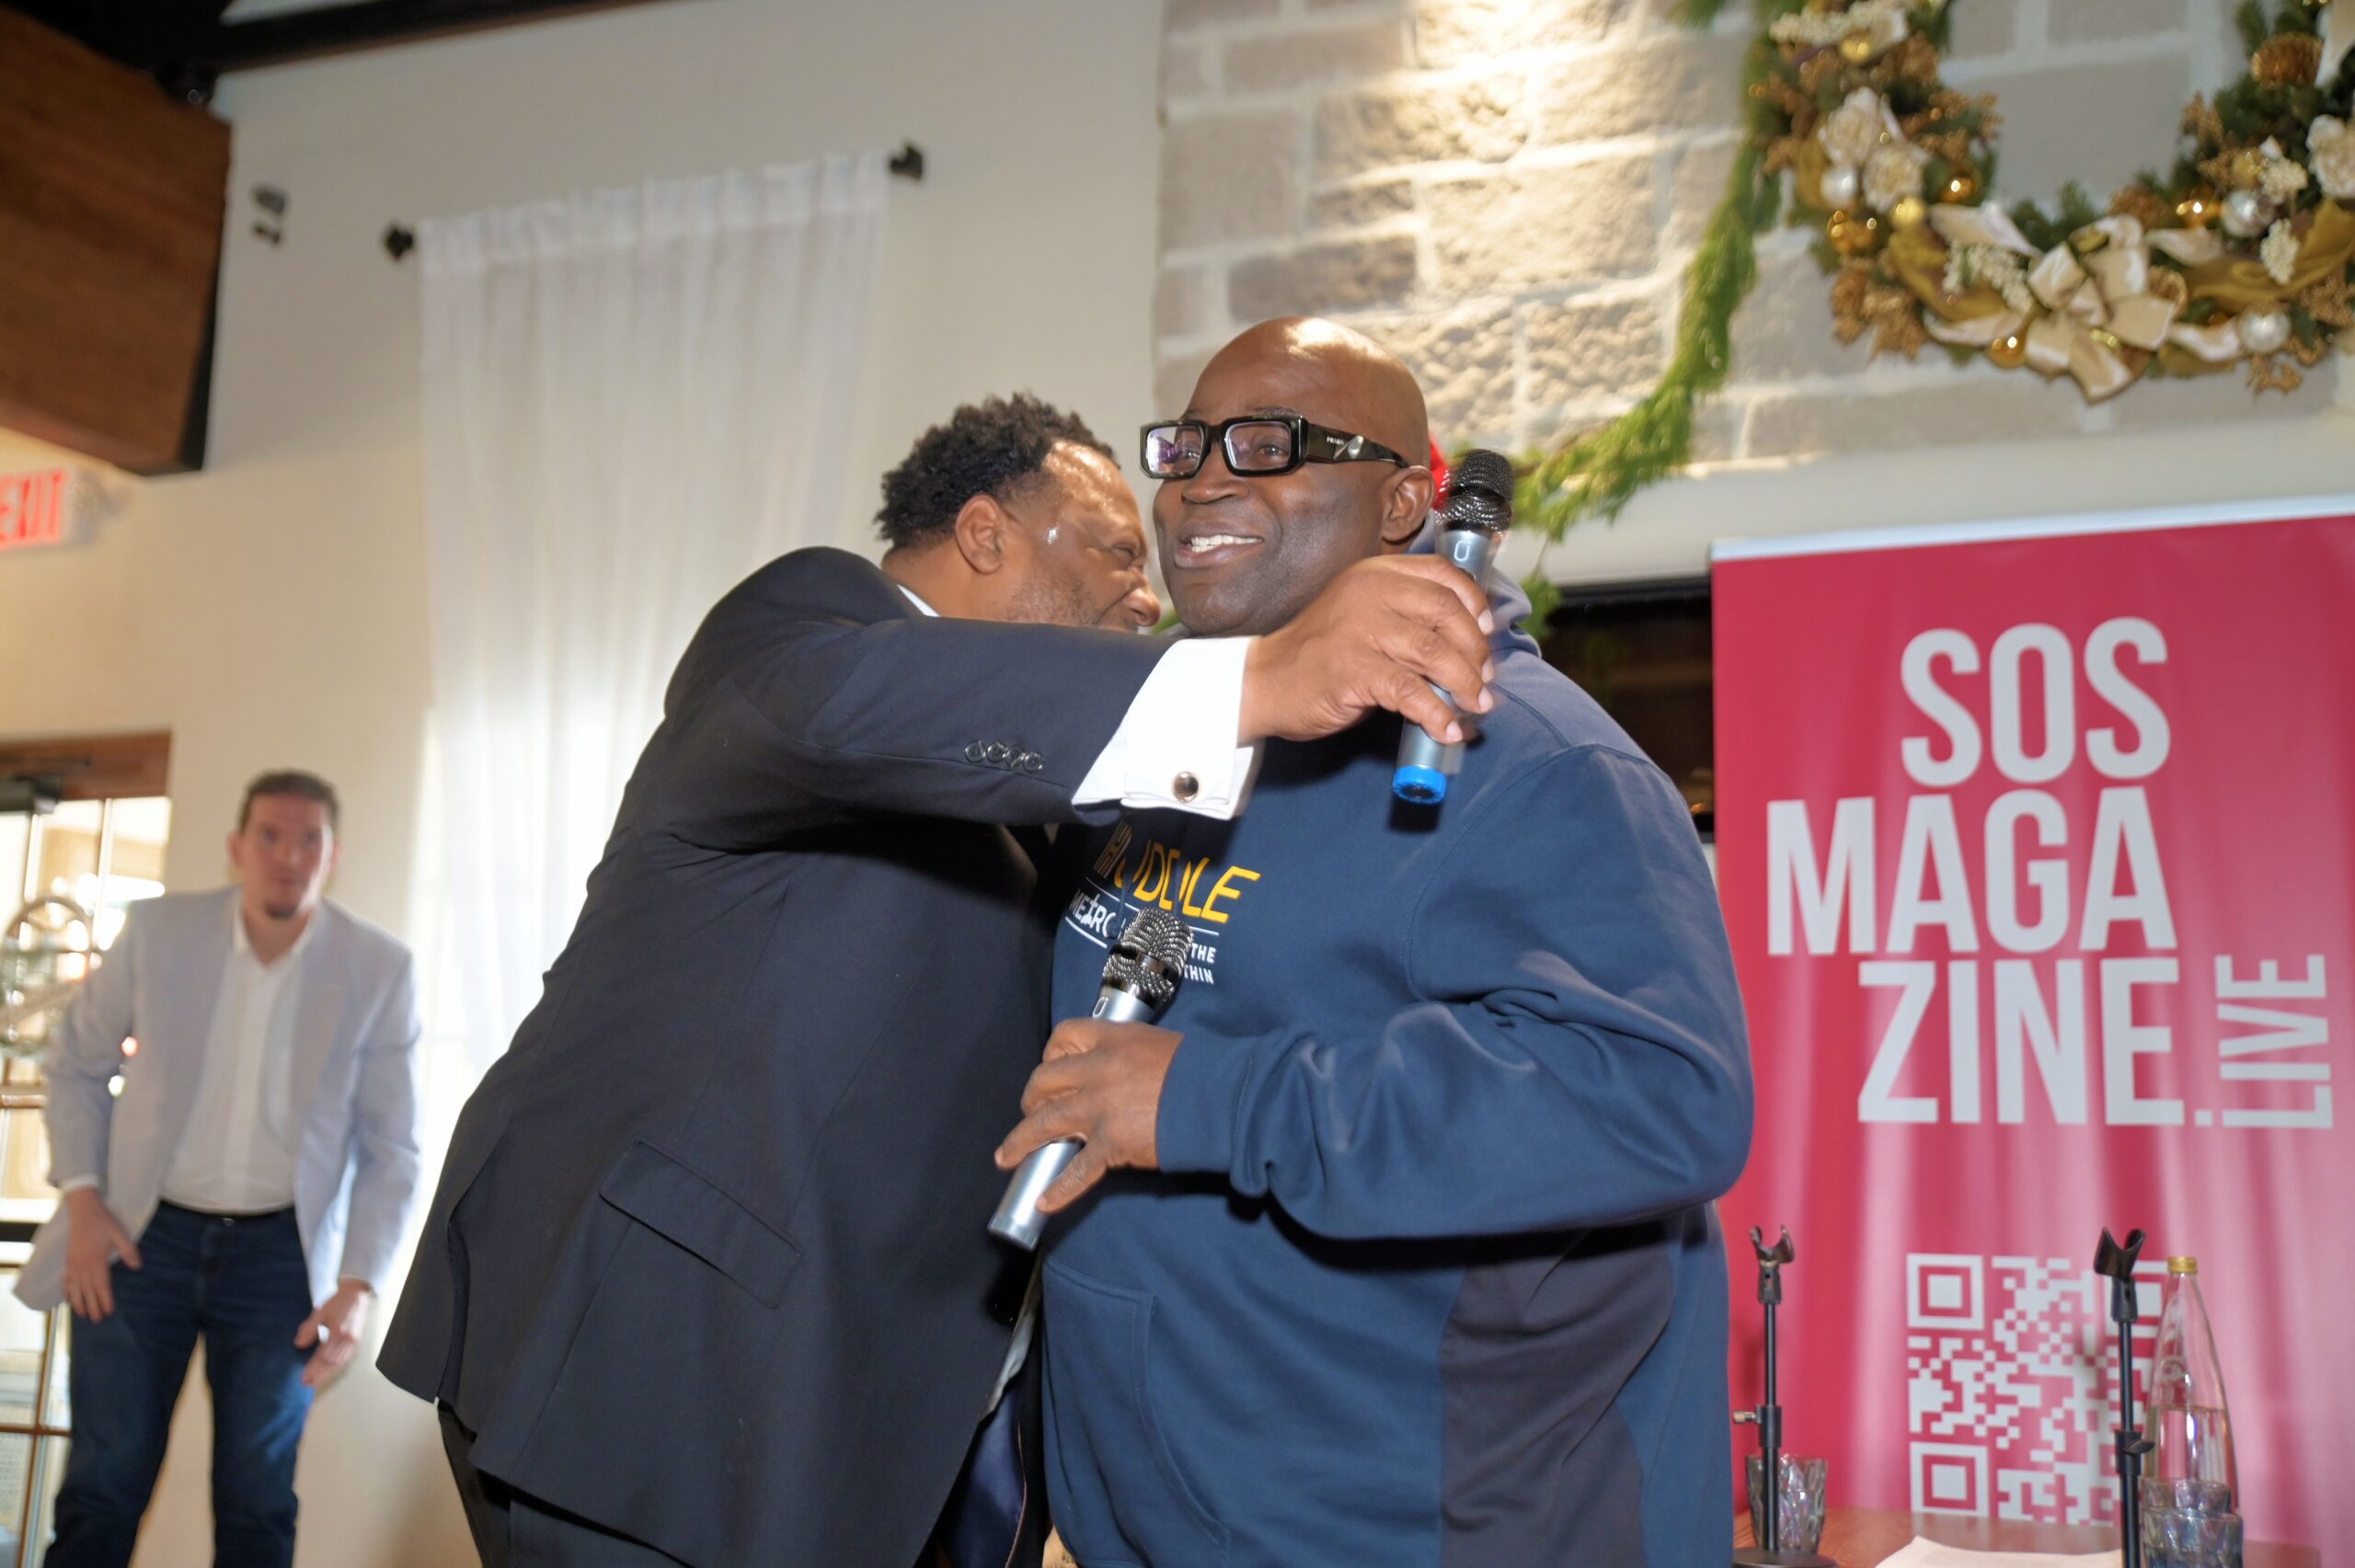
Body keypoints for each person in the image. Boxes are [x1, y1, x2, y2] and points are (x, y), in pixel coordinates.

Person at [377, 394, 1498, 1568]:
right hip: (659, 1385)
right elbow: (872, 706)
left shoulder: (1047, 796)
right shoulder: (800, 631)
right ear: (983, 532)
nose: (1145, 595)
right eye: (1117, 550)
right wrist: (1257, 677)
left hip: (850, 1432)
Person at [994, 320, 1755, 1568]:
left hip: (1427, 1525)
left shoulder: (1539, 764)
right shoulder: (1173, 738)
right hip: (1153, 1518)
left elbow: (1661, 1097)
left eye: (1267, 445)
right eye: (1187, 448)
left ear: (1405, 501)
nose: (1202, 484)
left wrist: (1211, 1100)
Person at [22, 770, 423, 1568]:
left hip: (280, 1263)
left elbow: (393, 1146)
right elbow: (75, 1065)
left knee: (257, 1500)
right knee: (103, 1484)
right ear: (238, 846)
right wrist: (84, 1200)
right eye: (270, 835)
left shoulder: (378, 967)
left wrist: (358, 1285)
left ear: (333, 855)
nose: (288, 856)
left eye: (308, 839)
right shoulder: (158, 931)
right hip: (139, 1241)